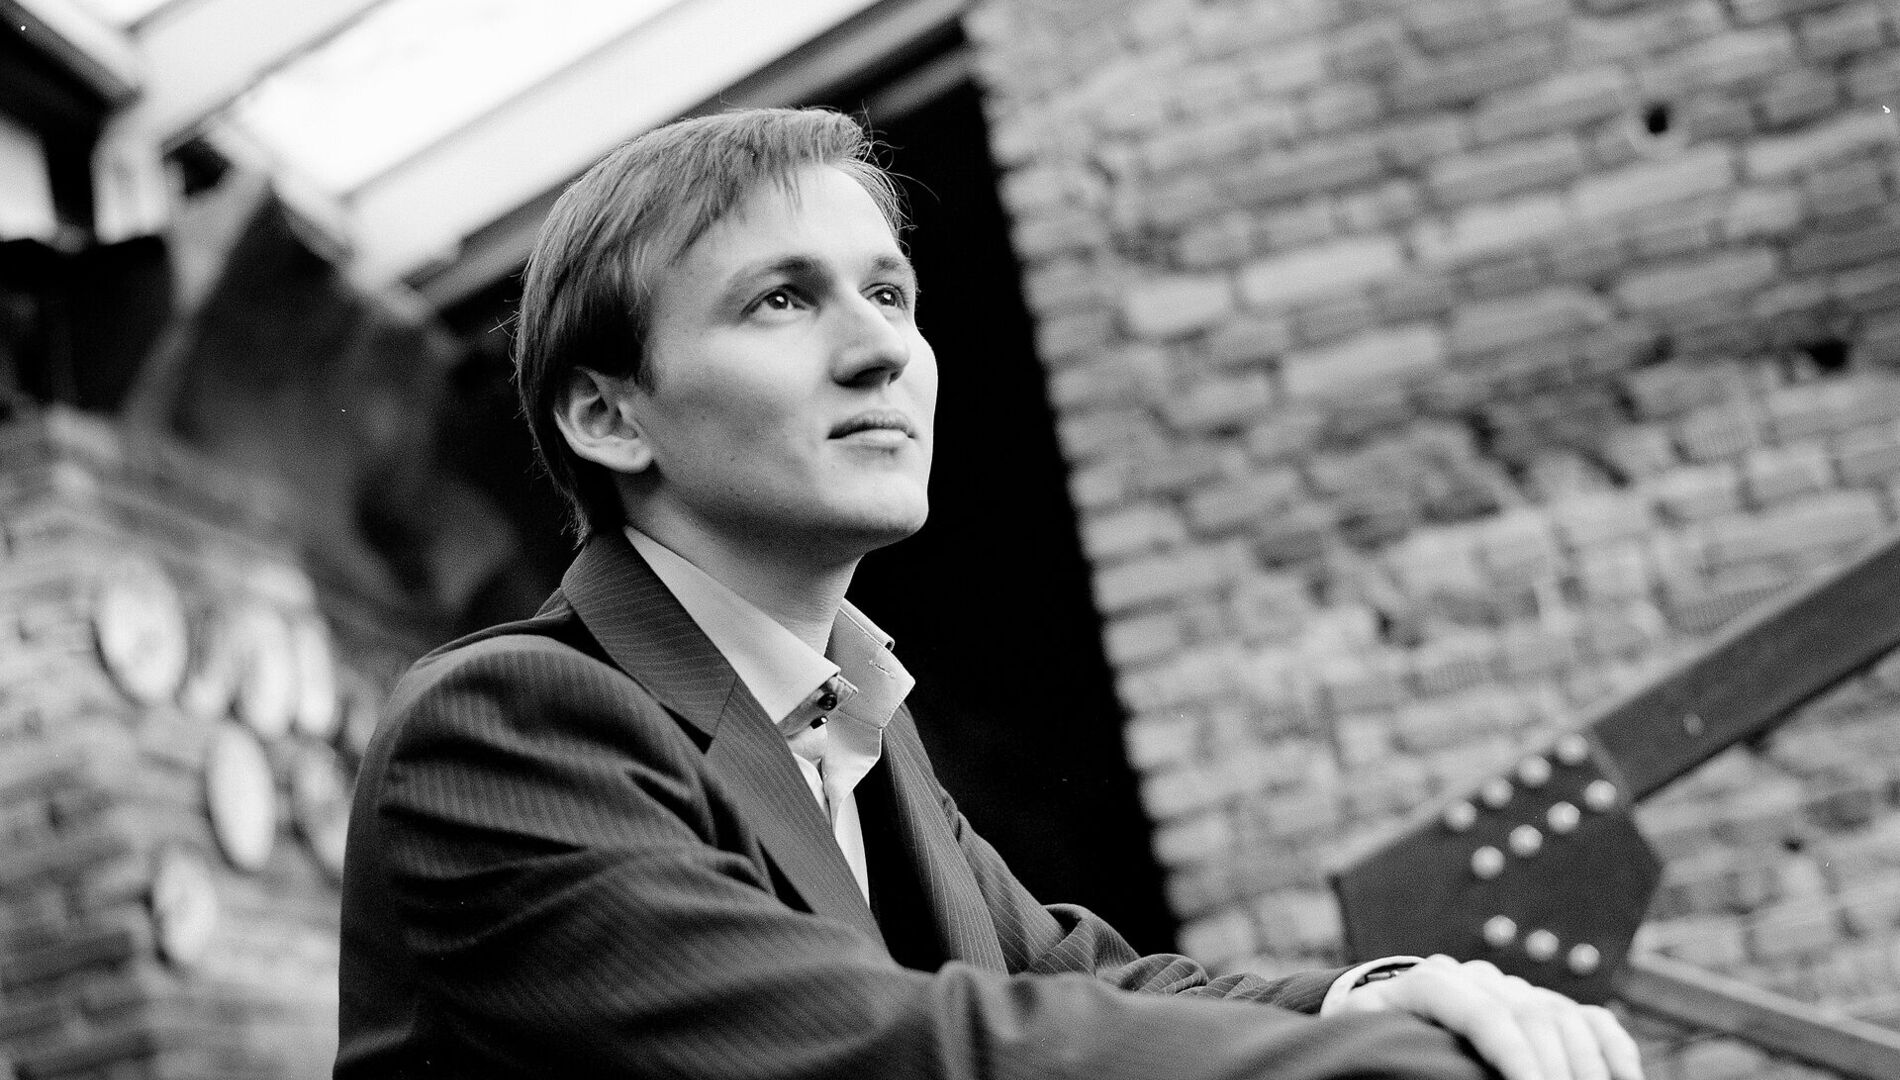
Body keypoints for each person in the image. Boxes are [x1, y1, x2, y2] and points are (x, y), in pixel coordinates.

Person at [335, 106, 1642, 1080]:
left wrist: (1372, 996)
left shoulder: (851, 729)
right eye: (783, 300)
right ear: (611, 416)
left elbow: (1082, 977)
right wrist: (1393, 1072)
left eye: (889, 292)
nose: (882, 350)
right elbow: (891, 1054)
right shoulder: (506, 732)